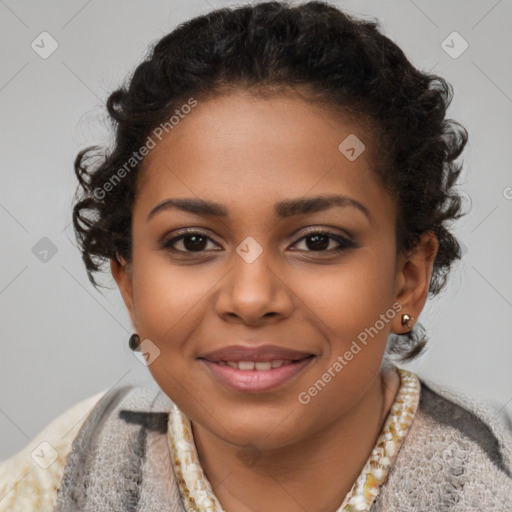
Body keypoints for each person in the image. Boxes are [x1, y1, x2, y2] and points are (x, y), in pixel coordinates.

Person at [1, 1, 511, 510]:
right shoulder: (58, 475)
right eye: (193, 241)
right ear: (129, 281)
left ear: (408, 279)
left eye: (318, 241)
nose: (250, 299)